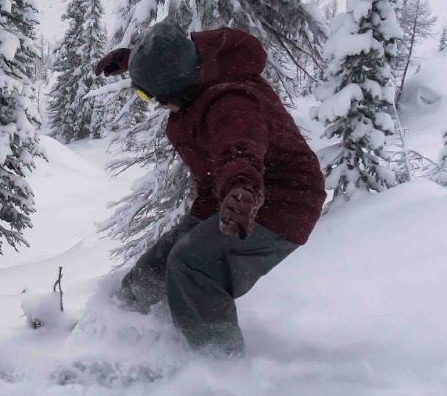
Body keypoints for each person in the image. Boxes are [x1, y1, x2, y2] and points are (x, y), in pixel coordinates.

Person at [94, 20, 326, 356]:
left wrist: (241, 190)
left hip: (278, 202)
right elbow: (172, 61)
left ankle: (219, 366)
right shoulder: (196, 70)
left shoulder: (231, 103)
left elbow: (241, 148)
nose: (156, 104)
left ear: (180, 88)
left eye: (153, 96)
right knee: (152, 271)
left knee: (194, 264)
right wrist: (134, 60)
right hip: (226, 198)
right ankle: (119, 342)